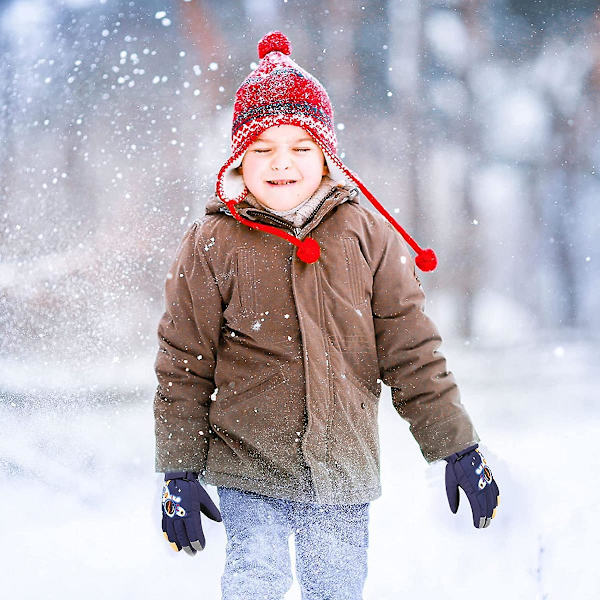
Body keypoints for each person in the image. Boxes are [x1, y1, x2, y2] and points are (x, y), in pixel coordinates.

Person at [154, 31, 500, 600]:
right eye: (262, 149)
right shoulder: (212, 243)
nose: (281, 164)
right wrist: (178, 471)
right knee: (255, 581)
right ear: (240, 158)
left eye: (300, 148)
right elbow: (184, 364)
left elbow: (412, 352)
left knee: (336, 588)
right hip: (248, 459)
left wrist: (457, 447)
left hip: (341, 464)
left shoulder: (366, 236)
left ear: (327, 155)